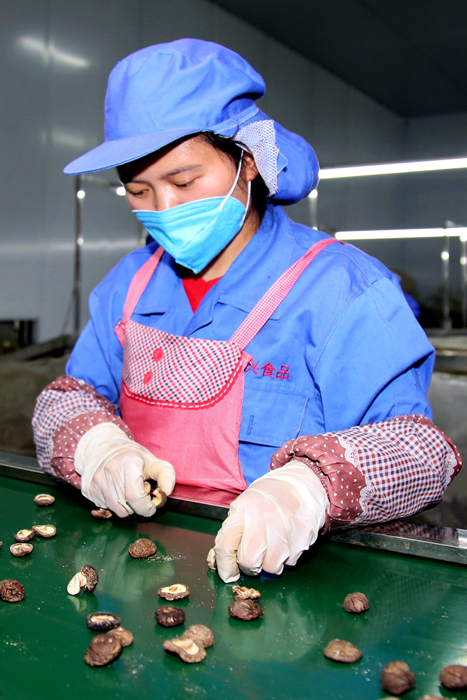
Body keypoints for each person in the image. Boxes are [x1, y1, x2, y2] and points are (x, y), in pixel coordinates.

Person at [33, 39, 461, 583]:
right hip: (139, 574)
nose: (164, 208)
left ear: (248, 161)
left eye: (184, 181)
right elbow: (68, 396)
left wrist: (308, 488)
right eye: (138, 191)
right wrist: (97, 445)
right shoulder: (129, 284)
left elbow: (421, 451)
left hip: (296, 582)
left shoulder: (343, 289)